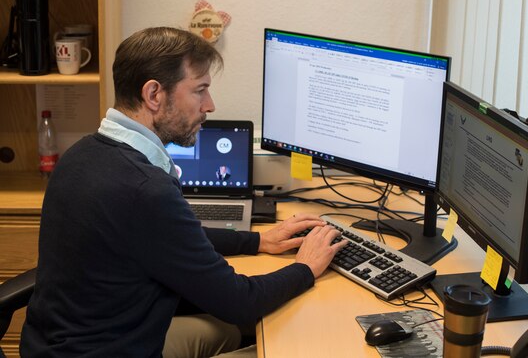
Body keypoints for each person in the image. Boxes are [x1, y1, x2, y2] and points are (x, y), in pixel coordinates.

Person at [20, 27, 348, 357]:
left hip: (64, 344)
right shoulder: (144, 190)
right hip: (110, 349)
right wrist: (305, 267)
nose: (210, 105)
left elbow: (169, 235)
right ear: (154, 95)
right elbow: (239, 302)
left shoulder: (83, 154)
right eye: (200, 90)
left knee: (228, 331)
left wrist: (259, 241)